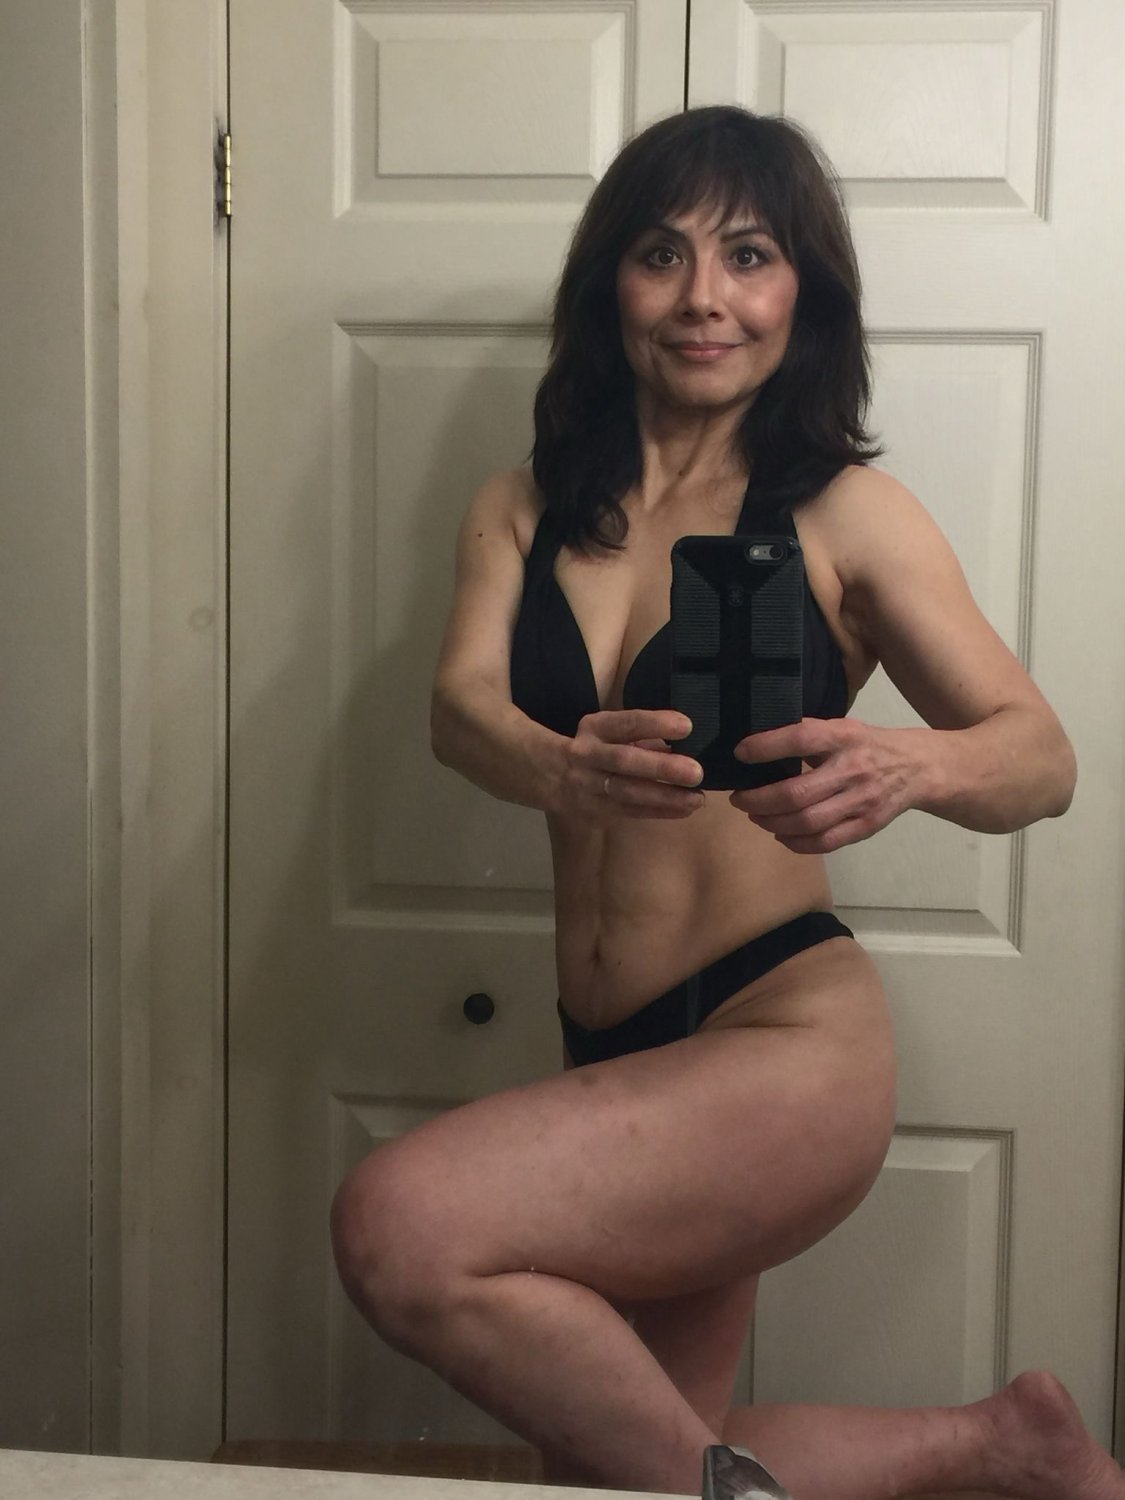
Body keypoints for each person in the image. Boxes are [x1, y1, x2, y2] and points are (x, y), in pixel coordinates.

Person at [330, 107, 1114, 1499]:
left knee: (401, 1224)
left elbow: (1039, 759)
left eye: (748, 255)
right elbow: (458, 711)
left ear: (802, 293)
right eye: (662, 254)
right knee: (626, 1469)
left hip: (779, 1033)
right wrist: (559, 767)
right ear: (609, 288)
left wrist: (907, 766)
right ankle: (999, 1447)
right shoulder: (523, 506)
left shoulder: (847, 515)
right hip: (608, 1038)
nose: (704, 296)